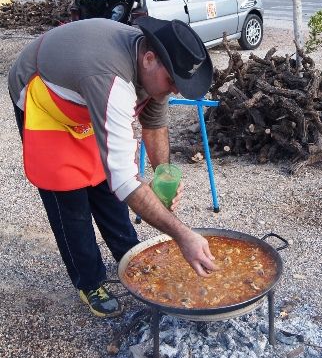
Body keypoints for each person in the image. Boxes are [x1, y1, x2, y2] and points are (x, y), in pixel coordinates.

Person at [8, 16, 217, 318]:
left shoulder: (154, 70)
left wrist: (163, 175)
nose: (173, 90)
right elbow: (126, 181)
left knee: (103, 184)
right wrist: (183, 236)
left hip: (85, 98)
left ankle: (127, 253)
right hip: (44, 97)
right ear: (149, 59)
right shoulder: (111, 80)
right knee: (70, 200)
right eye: (173, 82)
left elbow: (155, 124)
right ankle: (89, 280)